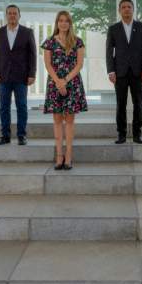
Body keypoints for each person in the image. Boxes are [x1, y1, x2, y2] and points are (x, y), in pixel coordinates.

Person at [42, 11, 88, 170]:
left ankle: (68, 156)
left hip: (72, 83)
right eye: (60, 20)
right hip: (54, 83)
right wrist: (58, 82)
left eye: (66, 21)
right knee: (56, 120)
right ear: (57, 23)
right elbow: (48, 65)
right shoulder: (49, 42)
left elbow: (79, 64)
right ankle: (59, 156)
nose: (63, 23)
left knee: (69, 121)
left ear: (70, 23)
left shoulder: (78, 41)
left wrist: (65, 81)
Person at [106, 0, 142, 144]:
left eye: (129, 7)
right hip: (119, 72)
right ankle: (121, 134)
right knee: (121, 104)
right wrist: (111, 71)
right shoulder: (113, 29)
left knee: (138, 103)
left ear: (133, 9)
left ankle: (138, 134)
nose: (126, 9)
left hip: (138, 72)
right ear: (119, 10)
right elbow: (109, 51)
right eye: (123, 7)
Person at [0, 4, 37, 146]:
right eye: (9, 13)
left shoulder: (27, 32)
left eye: (14, 13)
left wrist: (32, 74)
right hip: (3, 77)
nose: (12, 15)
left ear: (19, 15)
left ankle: (22, 135)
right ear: (6, 15)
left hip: (22, 77)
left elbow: (33, 55)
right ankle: (5, 136)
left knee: (21, 106)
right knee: (4, 107)